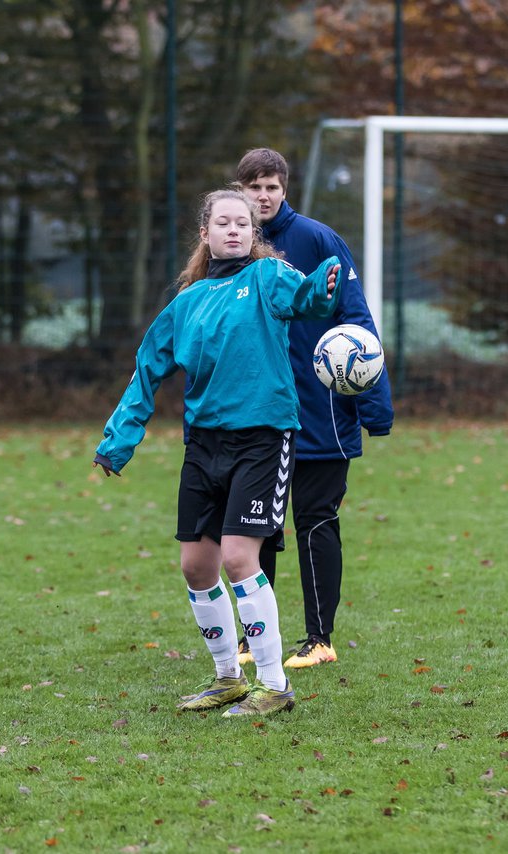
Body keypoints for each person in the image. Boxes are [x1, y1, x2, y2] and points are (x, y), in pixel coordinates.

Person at [93, 188, 340, 716]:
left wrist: (322, 286)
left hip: (263, 437)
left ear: (255, 234)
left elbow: (307, 301)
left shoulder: (270, 278)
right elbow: (147, 370)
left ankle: (274, 686)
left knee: (237, 556)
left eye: (244, 224)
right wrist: (118, 440)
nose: (234, 230)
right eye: (223, 223)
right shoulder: (186, 303)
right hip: (204, 443)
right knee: (196, 566)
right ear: (204, 234)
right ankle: (228, 678)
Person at [234, 148, 394, 670]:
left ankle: (319, 638)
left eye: (271, 187)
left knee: (316, 520)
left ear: (285, 190)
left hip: (320, 412)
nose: (262, 196)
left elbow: (357, 324)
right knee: (257, 527)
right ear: (240, 190)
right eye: (253, 187)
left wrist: (375, 407)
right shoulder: (227, 246)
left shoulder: (317, 241)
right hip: (256, 414)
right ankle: (255, 639)